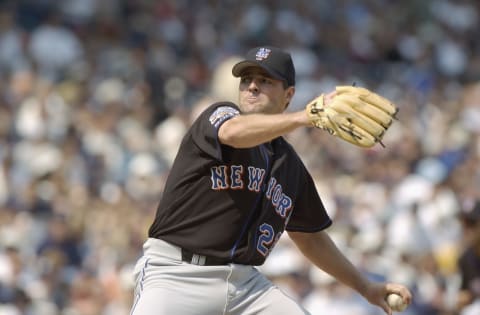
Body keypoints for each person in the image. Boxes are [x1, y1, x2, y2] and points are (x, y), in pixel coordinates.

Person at [129, 46, 412, 315]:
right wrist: (304, 117)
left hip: (245, 286)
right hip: (178, 273)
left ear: (288, 95)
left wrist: (365, 287)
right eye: (247, 79)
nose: (252, 86)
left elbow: (310, 237)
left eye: (265, 80)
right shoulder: (219, 116)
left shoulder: (290, 167)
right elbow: (232, 134)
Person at [456, 199, 480, 315]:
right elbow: (462, 297)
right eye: (463, 224)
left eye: (471, 223)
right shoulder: (465, 259)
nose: (466, 229)